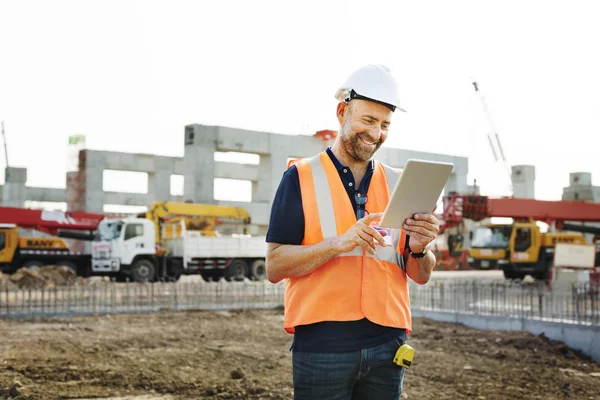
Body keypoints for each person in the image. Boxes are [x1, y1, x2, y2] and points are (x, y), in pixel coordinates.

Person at [265, 64, 440, 400]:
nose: (376, 133)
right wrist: (339, 243)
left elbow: (420, 274)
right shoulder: (300, 177)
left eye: (385, 125)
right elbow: (275, 266)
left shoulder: (399, 183)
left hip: (387, 347)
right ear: (342, 112)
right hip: (323, 349)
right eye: (368, 121)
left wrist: (419, 248)